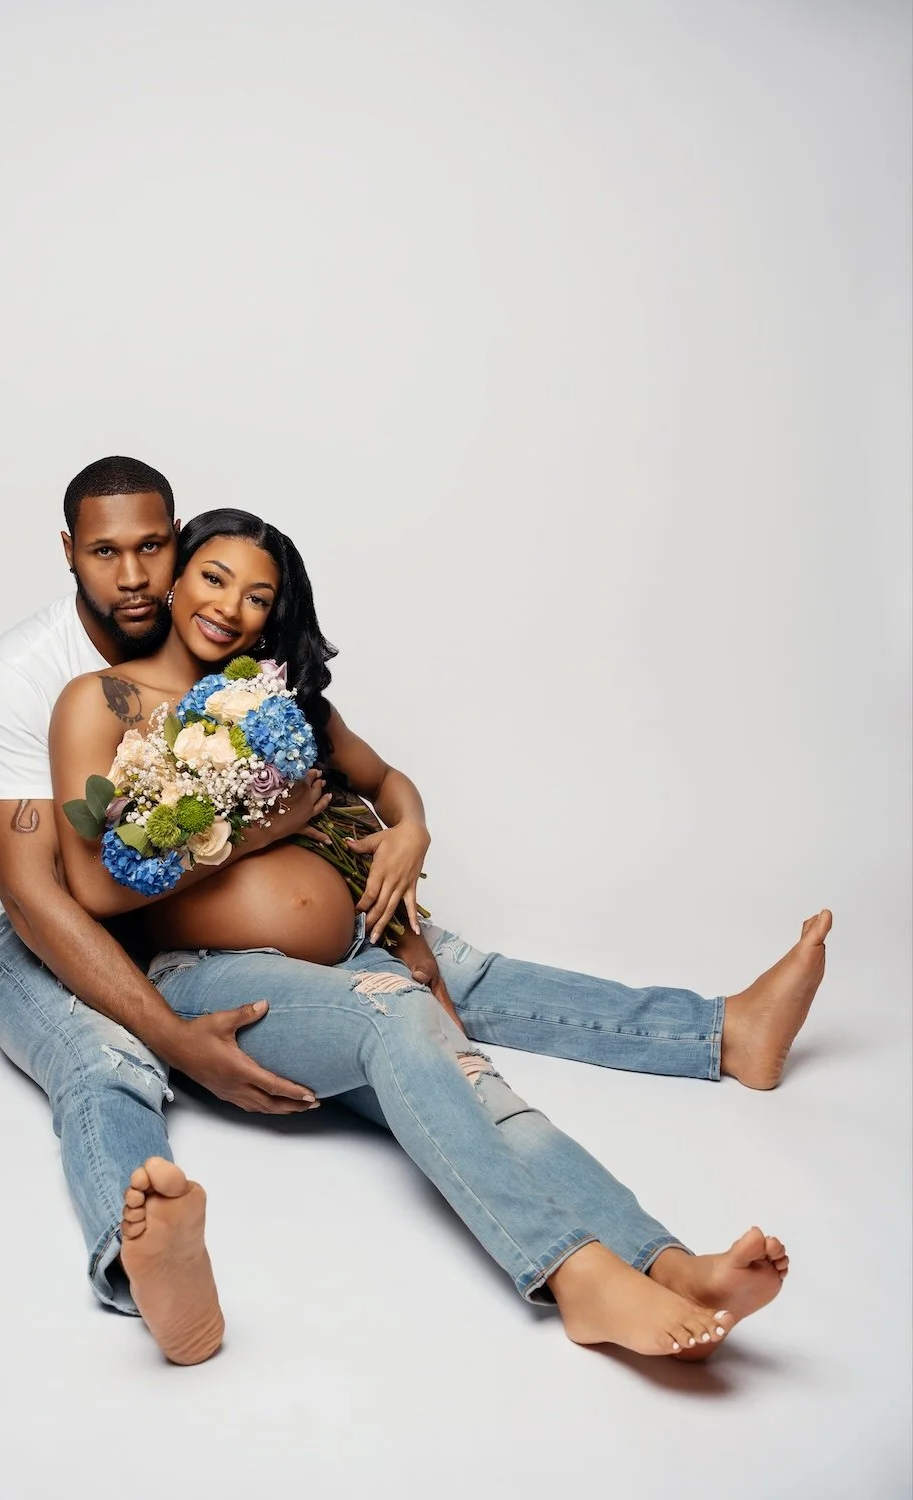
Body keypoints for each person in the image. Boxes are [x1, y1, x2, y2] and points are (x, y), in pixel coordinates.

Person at [50, 504, 829, 1365]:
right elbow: (96, 886)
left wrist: (411, 831)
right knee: (402, 1015)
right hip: (208, 974)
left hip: (349, 953)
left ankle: (670, 1264)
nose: (231, 607)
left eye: (260, 597)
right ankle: (576, 1275)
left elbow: (388, 782)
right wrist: (263, 836)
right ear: (179, 575)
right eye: (215, 578)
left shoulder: (276, 704)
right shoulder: (100, 701)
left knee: (477, 1087)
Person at [0, 457, 336, 1366]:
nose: (131, 577)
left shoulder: (211, 652)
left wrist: (408, 826)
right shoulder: (20, 676)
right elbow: (36, 893)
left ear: (181, 542)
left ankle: (704, 1028)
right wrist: (171, 1035)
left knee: (423, 965)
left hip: (166, 917)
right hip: (27, 929)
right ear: (68, 553)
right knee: (103, 1054)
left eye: (152, 547)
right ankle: (143, 1259)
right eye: (103, 551)